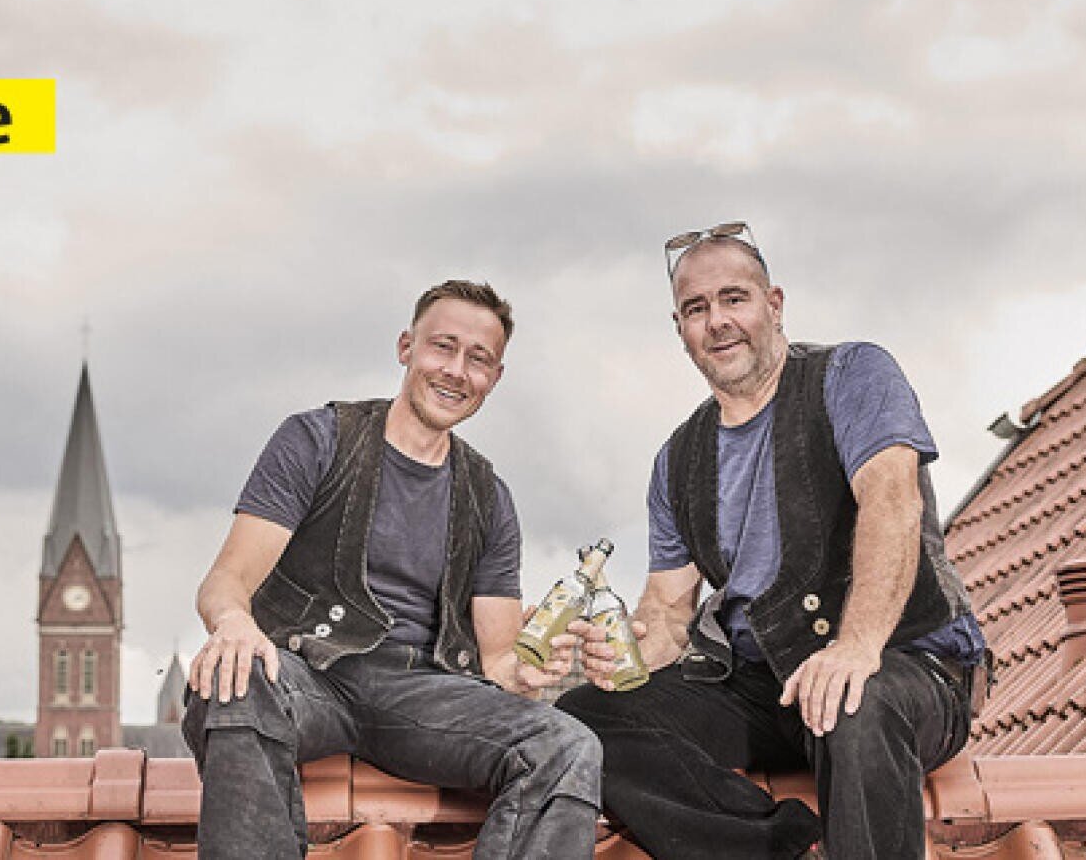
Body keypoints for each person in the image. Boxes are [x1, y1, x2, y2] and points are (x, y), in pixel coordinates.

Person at [558, 224, 988, 859]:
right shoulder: (677, 459)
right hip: (765, 684)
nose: (717, 322)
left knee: (854, 701)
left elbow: (893, 502)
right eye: (696, 309)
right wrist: (627, 651)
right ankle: (779, 848)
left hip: (903, 665)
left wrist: (856, 646)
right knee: (586, 715)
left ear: (774, 304)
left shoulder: (852, 374)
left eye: (734, 299)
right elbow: (670, 612)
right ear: (680, 328)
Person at [182, 280, 602, 859]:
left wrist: (528, 670)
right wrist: (232, 621)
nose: (456, 370)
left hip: (423, 696)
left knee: (568, 744)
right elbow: (225, 583)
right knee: (233, 677)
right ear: (407, 347)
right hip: (311, 675)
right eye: (443, 347)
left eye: (478, 358)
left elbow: (499, 657)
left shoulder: (488, 497)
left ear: (495, 377)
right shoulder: (318, 440)